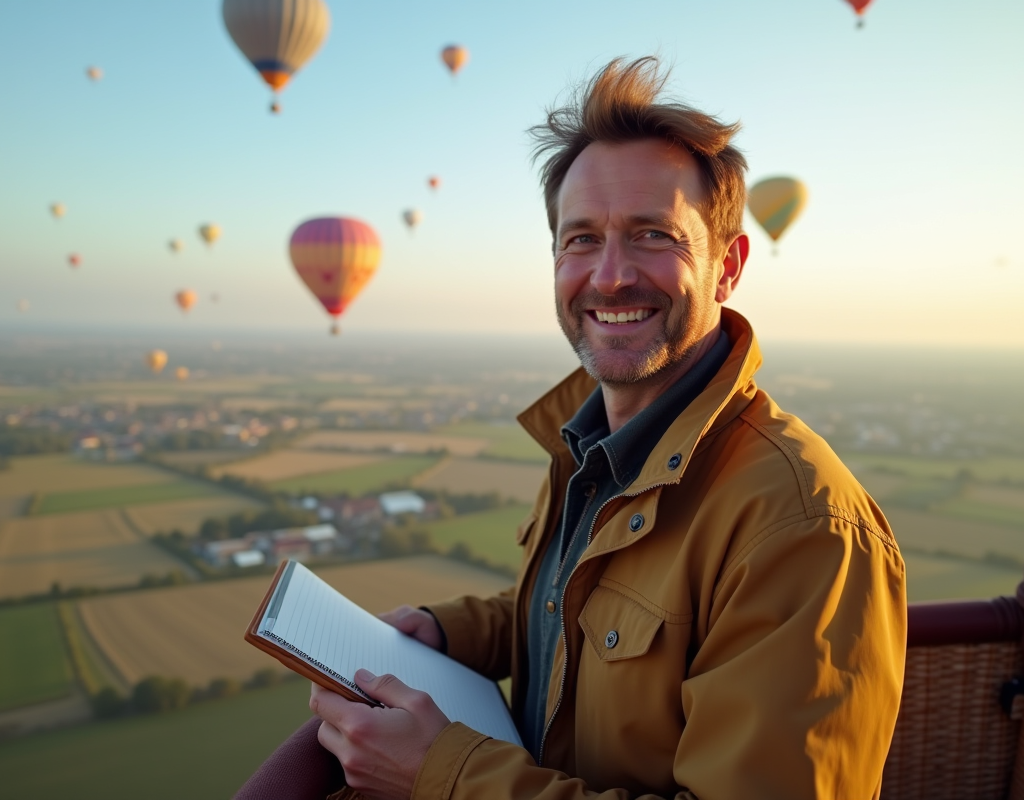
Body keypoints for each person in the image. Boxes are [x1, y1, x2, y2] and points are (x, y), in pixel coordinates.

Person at [237, 56, 907, 800]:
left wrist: (444, 777)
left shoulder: (802, 527)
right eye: (581, 239)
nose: (610, 275)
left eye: (653, 234)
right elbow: (580, 613)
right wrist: (451, 633)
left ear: (728, 266)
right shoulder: (590, 450)